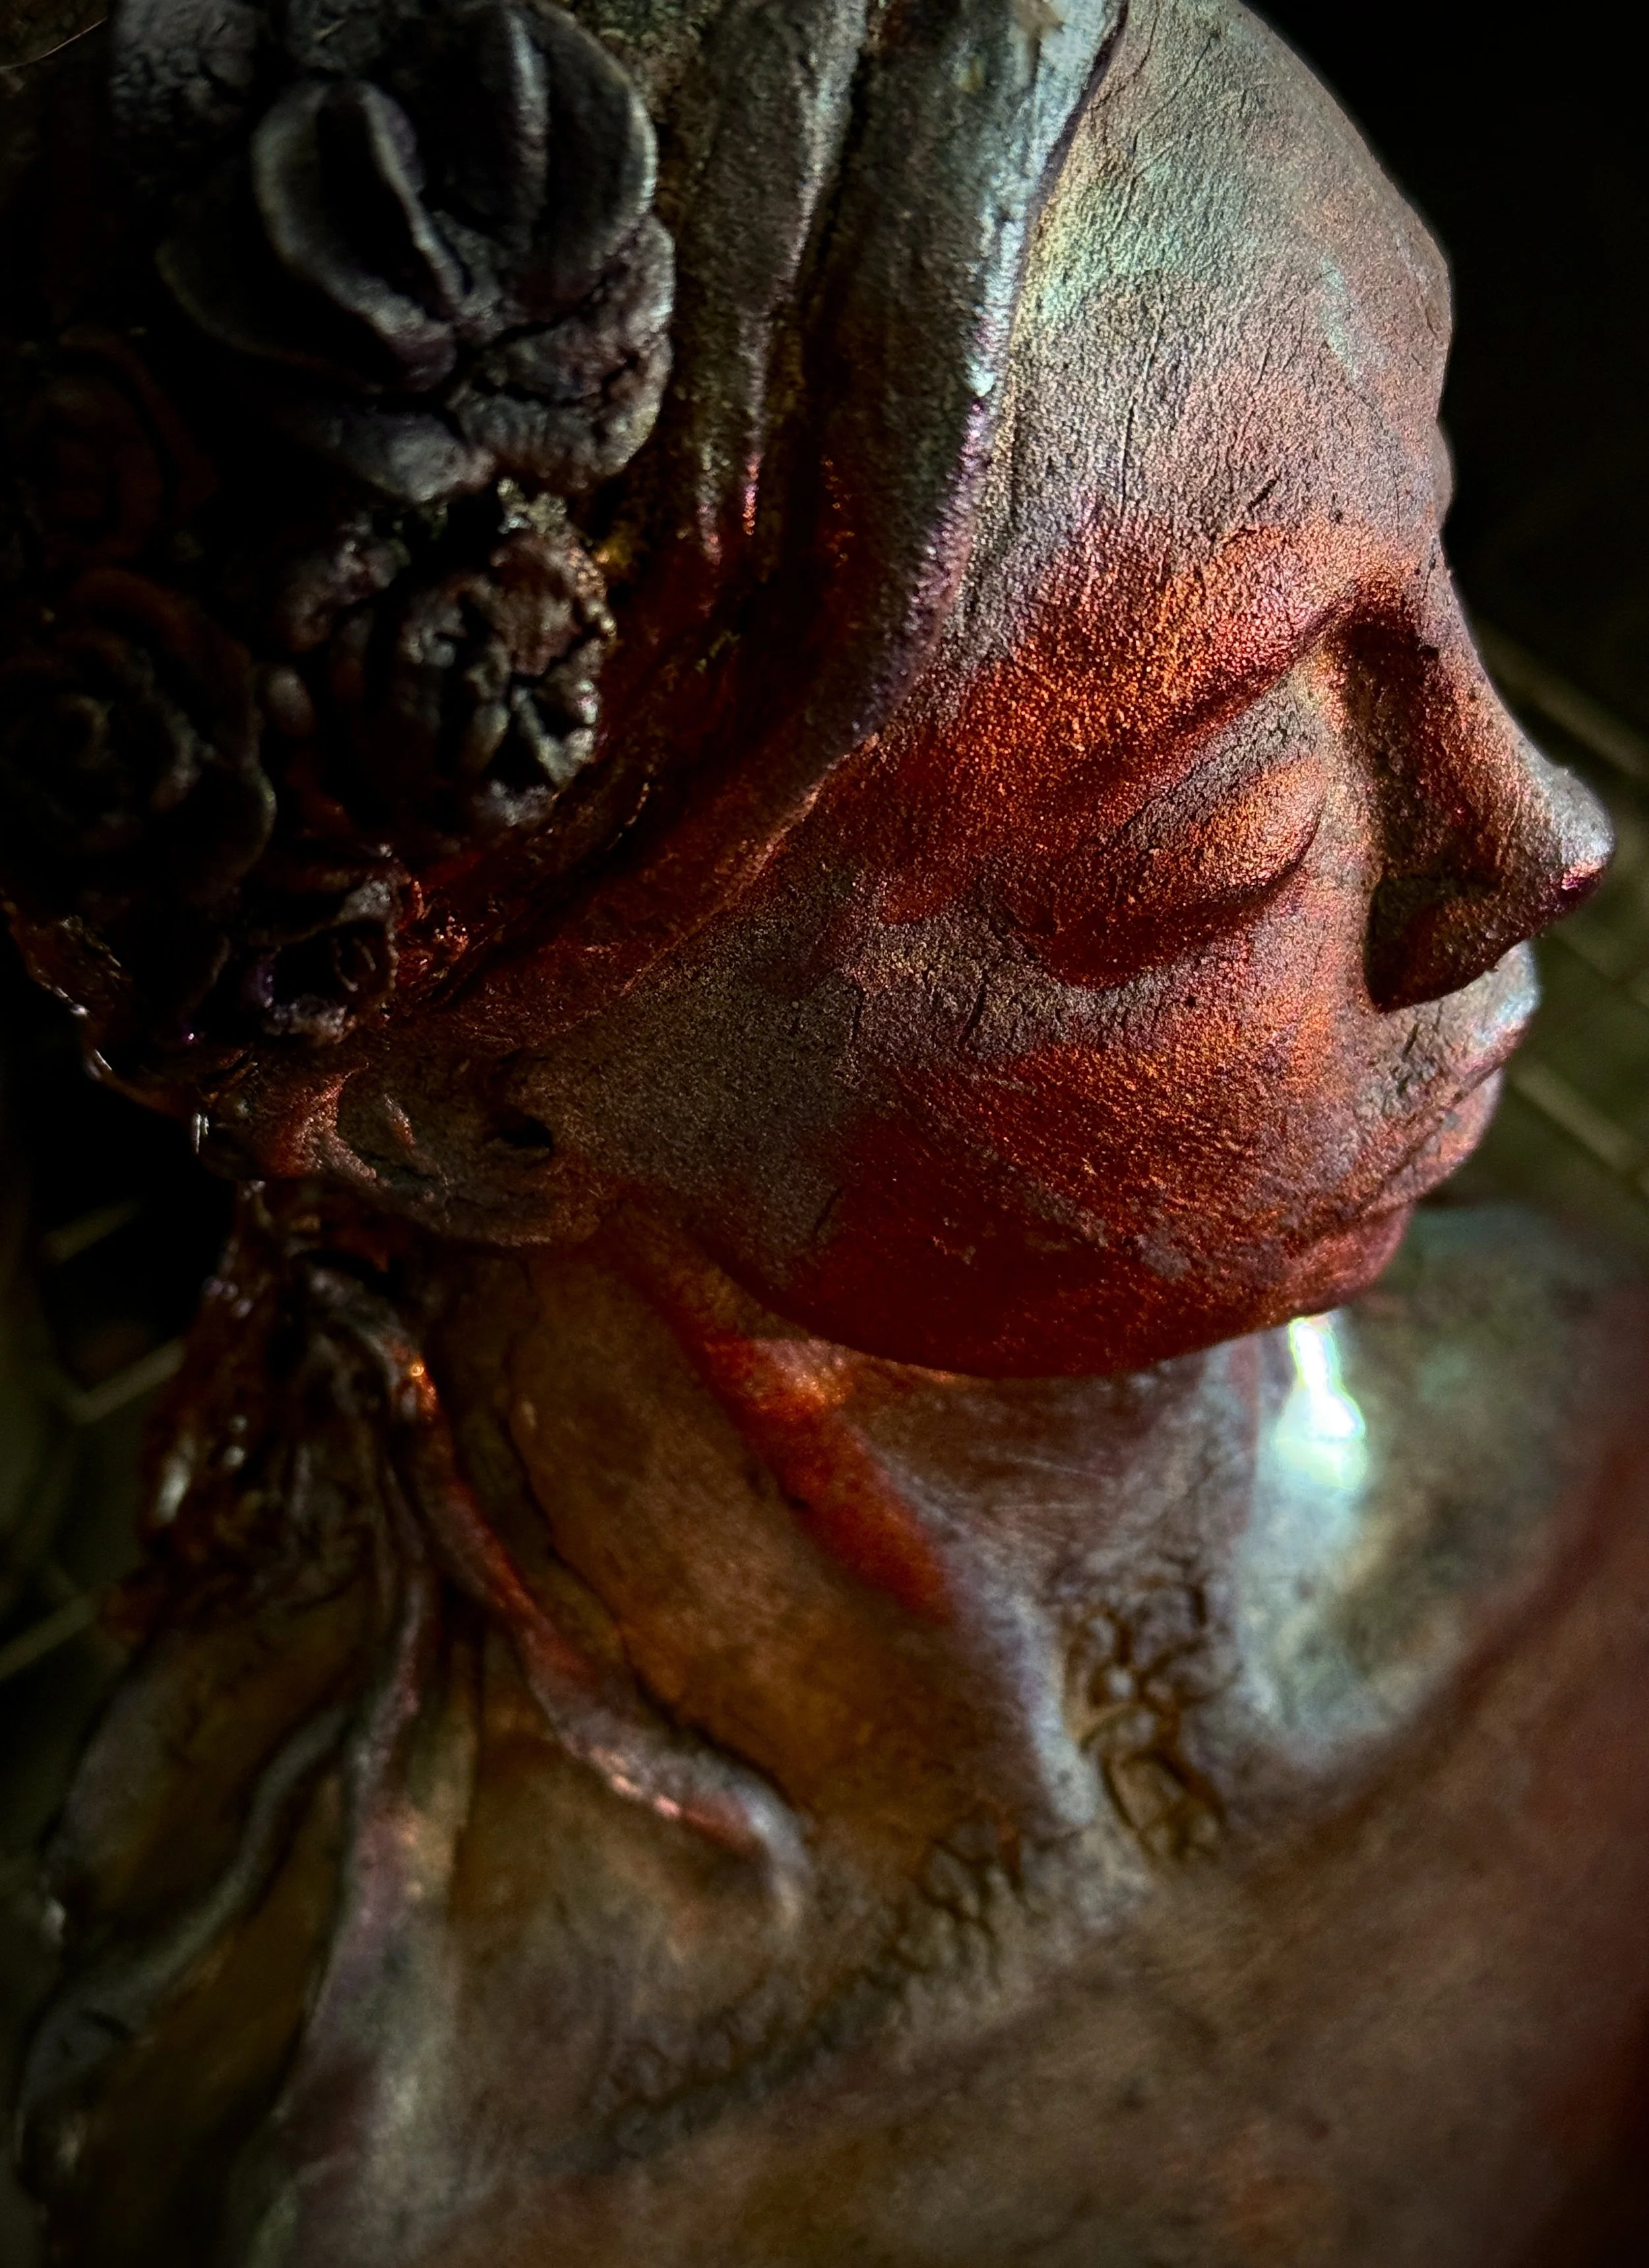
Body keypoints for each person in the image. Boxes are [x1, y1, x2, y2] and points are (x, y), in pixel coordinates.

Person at [5, 0, 1648, 2260]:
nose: (1540, 838)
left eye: (1430, 542)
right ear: (477, 1120)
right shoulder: (417, 2198)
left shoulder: (1614, 1459)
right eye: (1226, 846)